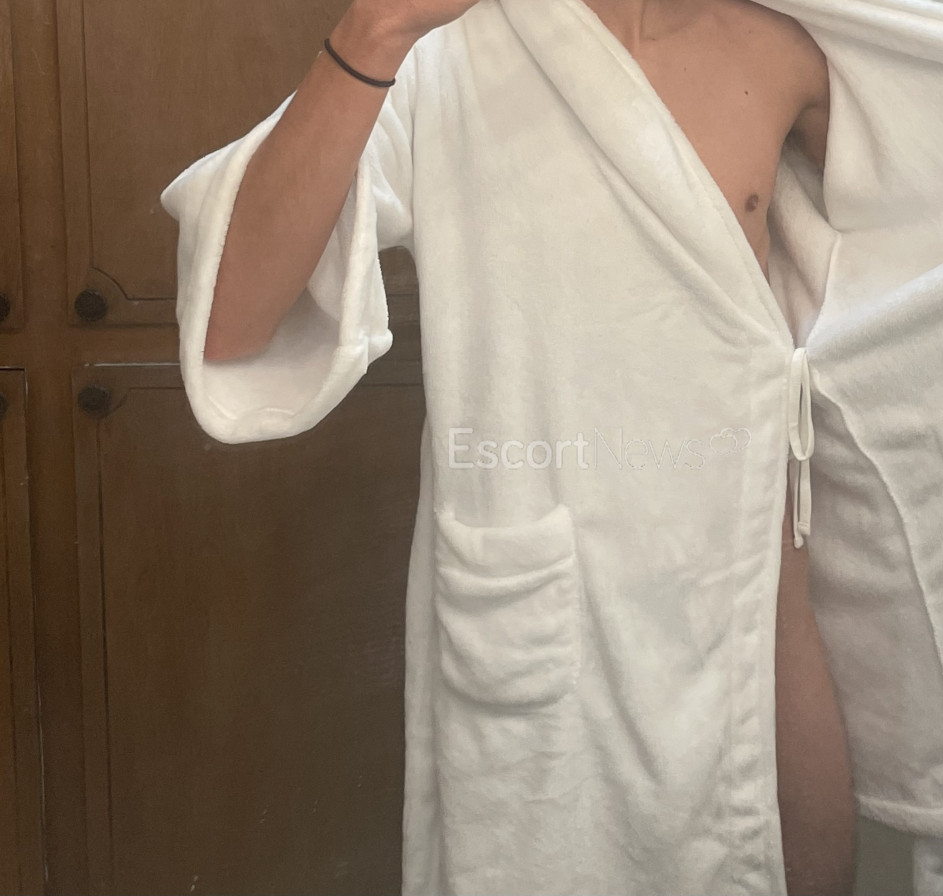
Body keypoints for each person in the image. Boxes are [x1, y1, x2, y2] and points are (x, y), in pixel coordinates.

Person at [200, 0, 850, 892]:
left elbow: (912, 258)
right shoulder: (443, 52)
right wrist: (375, 29)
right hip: (545, 593)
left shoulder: (796, 50)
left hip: (746, 566)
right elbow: (231, 320)